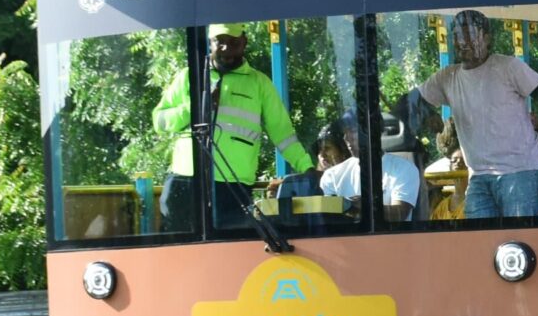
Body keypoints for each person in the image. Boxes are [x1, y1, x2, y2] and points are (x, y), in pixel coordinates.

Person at [155, 25, 313, 234]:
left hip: (232, 185)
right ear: (209, 42)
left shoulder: (259, 83)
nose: (226, 48)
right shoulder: (188, 76)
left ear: (244, 43)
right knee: (179, 249)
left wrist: (307, 168)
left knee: (228, 251)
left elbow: (283, 134)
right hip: (186, 180)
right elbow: (160, 121)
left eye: (233, 43)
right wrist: (195, 107)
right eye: (219, 41)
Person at [410, 9, 538, 219]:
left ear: (487, 37)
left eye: (470, 35)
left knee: (518, 239)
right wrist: (428, 113)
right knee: (478, 240)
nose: (463, 41)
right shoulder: (447, 76)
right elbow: (409, 102)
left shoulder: (508, 66)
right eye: (457, 36)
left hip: (521, 172)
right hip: (478, 176)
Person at [322, 114, 425, 221]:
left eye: (352, 131)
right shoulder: (332, 175)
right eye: (345, 132)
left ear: (372, 132)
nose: (346, 138)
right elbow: (327, 219)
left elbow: (399, 214)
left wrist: (358, 207)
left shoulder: (404, 168)